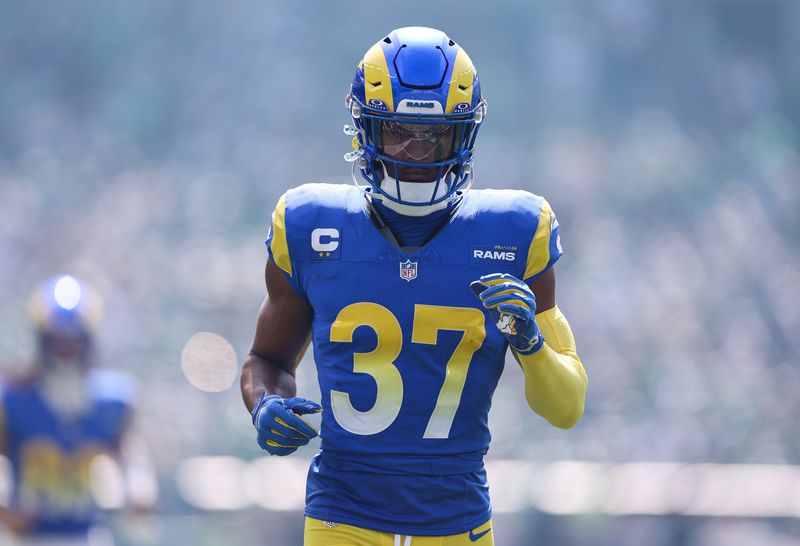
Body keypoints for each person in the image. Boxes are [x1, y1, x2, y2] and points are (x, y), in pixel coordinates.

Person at [240, 26, 588, 546]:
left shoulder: (516, 231)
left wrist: (532, 345)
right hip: (342, 520)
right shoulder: (310, 225)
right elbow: (266, 361)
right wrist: (264, 402)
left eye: (434, 135)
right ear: (365, 129)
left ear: (464, 133)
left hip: (457, 524)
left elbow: (567, 407)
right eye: (397, 131)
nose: (415, 154)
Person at [0, 275, 157, 546]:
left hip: (86, 535)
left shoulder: (112, 399)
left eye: (73, 341)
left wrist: (138, 485)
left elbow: (130, 454)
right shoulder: (13, 398)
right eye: (58, 342)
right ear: (43, 340)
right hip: (28, 538)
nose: (66, 351)